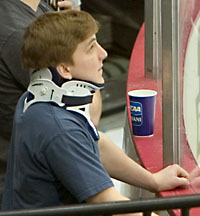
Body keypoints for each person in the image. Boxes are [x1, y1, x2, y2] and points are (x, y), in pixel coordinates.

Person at [1, 10, 192, 215]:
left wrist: (153, 181)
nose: (104, 53)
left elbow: (96, 144)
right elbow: (109, 202)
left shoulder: (37, 100)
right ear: (65, 69)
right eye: (91, 47)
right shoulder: (60, 130)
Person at [0, 0, 86, 204]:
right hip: (37, 192)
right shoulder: (19, 34)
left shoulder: (37, 9)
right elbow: (87, 116)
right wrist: (78, 40)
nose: (103, 53)